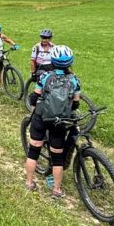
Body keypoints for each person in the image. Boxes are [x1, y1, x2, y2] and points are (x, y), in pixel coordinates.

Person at [24, 45, 79, 197]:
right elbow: (76, 103)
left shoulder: (45, 77)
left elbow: (34, 96)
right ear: (70, 63)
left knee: (33, 150)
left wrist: (34, 107)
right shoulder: (74, 80)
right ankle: (56, 190)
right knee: (57, 157)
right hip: (60, 122)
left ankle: (29, 182)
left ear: (52, 61)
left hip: (41, 117)